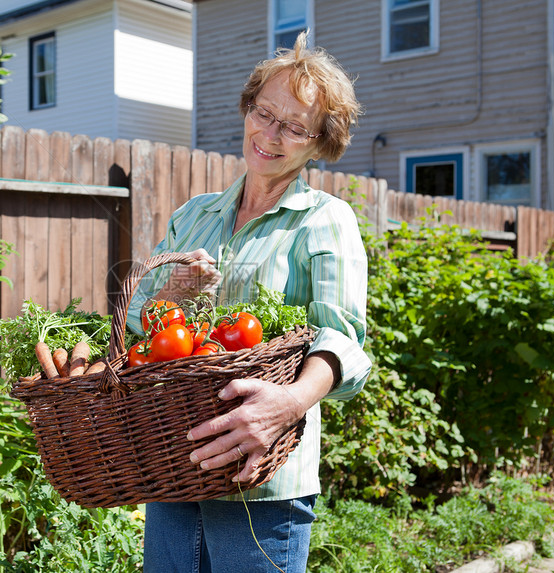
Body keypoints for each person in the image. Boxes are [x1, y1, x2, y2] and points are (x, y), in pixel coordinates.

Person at [125, 30, 372, 573]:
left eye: (294, 127)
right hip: (175, 463)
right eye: (264, 113)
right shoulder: (194, 215)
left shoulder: (325, 219)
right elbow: (137, 331)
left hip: (261, 481)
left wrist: (289, 402)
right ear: (248, 109)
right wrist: (170, 295)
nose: (271, 134)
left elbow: (344, 340)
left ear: (318, 142)